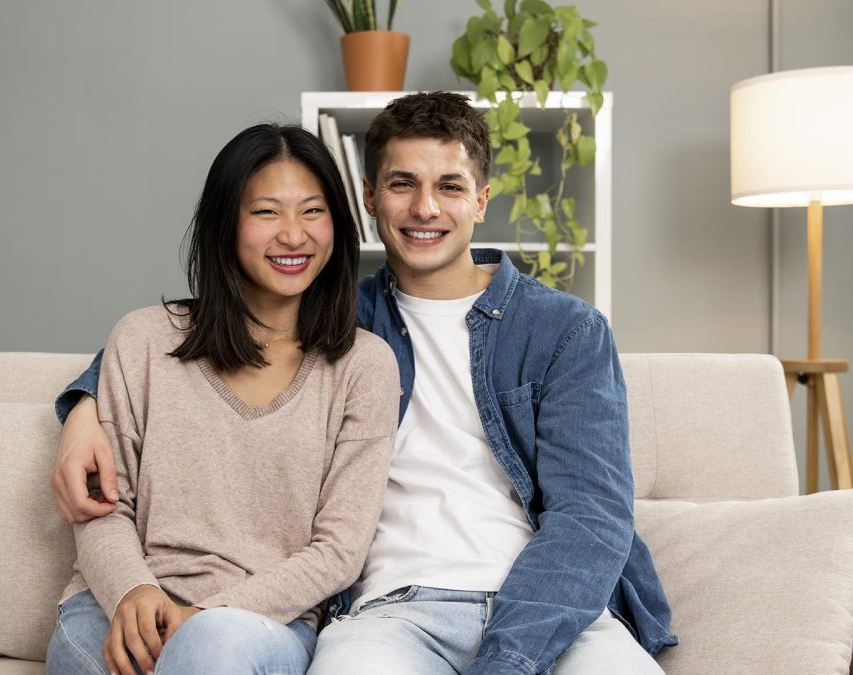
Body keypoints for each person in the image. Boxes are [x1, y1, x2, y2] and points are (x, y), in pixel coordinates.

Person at [52, 92, 678, 674]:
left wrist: (509, 660)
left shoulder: (563, 330)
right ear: (369, 198)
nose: (425, 208)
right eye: (402, 184)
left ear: (481, 200)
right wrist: (83, 406)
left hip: (549, 611)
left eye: (450, 187)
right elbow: (187, 332)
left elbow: (591, 518)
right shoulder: (340, 321)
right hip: (389, 610)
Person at [45, 123, 400, 675]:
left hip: (261, 623)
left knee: (211, 653)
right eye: (266, 212)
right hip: (121, 603)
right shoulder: (143, 340)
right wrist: (133, 593)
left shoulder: (365, 366)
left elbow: (340, 550)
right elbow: (103, 507)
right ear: (224, 224)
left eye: (312, 211)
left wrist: (206, 615)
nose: (293, 235)